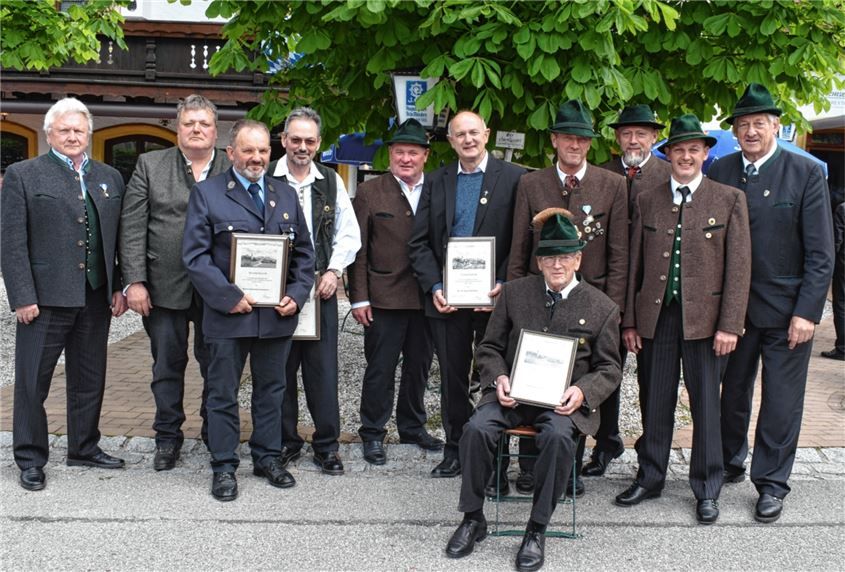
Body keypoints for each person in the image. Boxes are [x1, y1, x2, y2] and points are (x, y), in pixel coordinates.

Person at [444, 209, 620, 572]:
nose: (558, 265)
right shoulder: (513, 294)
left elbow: (609, 368)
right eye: (550, 257)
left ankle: (536, 529)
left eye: (565, 257)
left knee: (558, 440)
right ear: (539, 261)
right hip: (512, 394)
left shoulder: (602, 307)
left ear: (578, 259)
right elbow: (489, 347)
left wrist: (583, 392)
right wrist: (498, 379)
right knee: (475, 430)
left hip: (561, 405)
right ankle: (473, 518)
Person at [708, 84, 834, 523]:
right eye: (743, 124)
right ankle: (729, 461)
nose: (750, 131)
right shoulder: (719, 171)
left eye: (759, 123)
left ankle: (773, 483)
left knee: (781, 402)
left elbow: (821, 253)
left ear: (776, 126)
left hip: (786, 315)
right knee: (732, 396)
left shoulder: (805, 172)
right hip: (733, 314)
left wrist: (807, 312)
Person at [617, 114, 751, 525]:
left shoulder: (728, 199)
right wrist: (630, 321)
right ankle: (651, 475)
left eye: (694, 149)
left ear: (705, 154)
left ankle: (707, 487)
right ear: (668, 153)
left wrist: (730, 324)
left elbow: (739, 267)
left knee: (706, 404)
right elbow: (635, 264)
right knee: (655, 400)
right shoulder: (648, 199)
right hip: (657, 318)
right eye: (679, 149)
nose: (687, 156)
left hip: (707, 323)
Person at [182, 119, 314, 501]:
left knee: (272, 390)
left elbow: (304, 252)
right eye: (248, 150)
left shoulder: (284, 194)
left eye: (262, 151)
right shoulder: (207, 194)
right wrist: (226, 296)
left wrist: (297, 292)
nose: (256, 158)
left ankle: (268, 457)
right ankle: (224, 465)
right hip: (229, 315)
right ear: (231, 153)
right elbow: (195, 257)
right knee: (222, 393)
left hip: (275, 315)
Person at [1, 97, 128, 491]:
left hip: (94, 297)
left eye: (79, 130)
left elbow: (118, 239)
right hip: (44, 298)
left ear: (88, 133)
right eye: (65, 130)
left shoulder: (109, 177)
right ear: (49, 133)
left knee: (89, 378)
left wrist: (119, 285)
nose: (73, 136)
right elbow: (11, 241)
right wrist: (22, 295)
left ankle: (84, 447)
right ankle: (30, 457)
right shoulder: (24, 174)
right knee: (31, 382)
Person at [506, 99, 628, 496]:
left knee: (577, 386)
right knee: (531, 378)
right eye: (567, 138)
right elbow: (519, 251)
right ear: (554, 139)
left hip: (589, 308)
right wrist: (513, 302)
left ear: (590, 144)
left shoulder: (613, 185)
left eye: (582, 139)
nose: (574, 145)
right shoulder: (531, 183)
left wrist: (612, 311)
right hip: (536, 300)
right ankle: (527, 468)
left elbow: (619, 254)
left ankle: (570, 468)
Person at [408, 110, 526, 478]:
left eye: (474, 132)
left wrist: (505, 283)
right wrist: (435, 286)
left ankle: (499, 452)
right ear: (451, 140)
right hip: (448, 302)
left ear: (487, 134)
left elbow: (522, 241)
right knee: (453, 379)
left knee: (500, 377)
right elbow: (419, 244)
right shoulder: (436, 181)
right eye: (460, 134)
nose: (468, 139)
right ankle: (456, 447)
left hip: (498, 301)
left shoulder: (516, 178)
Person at [119, 94, 231, 470]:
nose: (196, 129)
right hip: (163, 286)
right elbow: (132, 226)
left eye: (204, 124)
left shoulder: (232, 170)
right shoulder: (150, 165)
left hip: (219, 288)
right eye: (189, 123)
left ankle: (214, 429)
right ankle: (167, 436)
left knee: (216, 363)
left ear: (216, 131)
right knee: (167, 366)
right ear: (177, 128)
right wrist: (134, 280)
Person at [270, 107, 361, 476]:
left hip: (320, 289)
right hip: (277, 292)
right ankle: (285, 441)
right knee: (279, 368)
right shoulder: (268, 178)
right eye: (295, 140)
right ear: (284, 141)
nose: (302, 147)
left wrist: (335, 270)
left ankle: (326, 445)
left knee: (322, 371)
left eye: (309, 140)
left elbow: (348, 232)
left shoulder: (330, 180)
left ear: (319, 143)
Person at [582, 104, 671, 479]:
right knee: (606, 370)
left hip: (656, 292)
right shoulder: (600, 173)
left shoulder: (671, 174)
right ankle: (606, 442)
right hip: (608, 290)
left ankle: (651, 453)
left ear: (654, 137)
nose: (633, 140)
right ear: (616, 138)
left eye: (641, 133)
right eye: (626, 133)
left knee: (654, 378)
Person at [347, 119, 443, 464]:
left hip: (426, 298)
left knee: (419, 366)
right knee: (380, 369)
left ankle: (413, 425)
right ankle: (373, 432)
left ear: (425, 156)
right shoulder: (371, 192)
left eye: (413, 153)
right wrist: (359, 297)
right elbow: (357, 250)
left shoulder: (437, 189)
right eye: (400, 152)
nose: (406, 158)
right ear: (390, 154)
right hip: (383, 299)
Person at [820, 200, 844, 361]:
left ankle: (843, 347)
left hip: (843, 266)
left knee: (842, 304)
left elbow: (836, 241)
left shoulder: (842, 209)